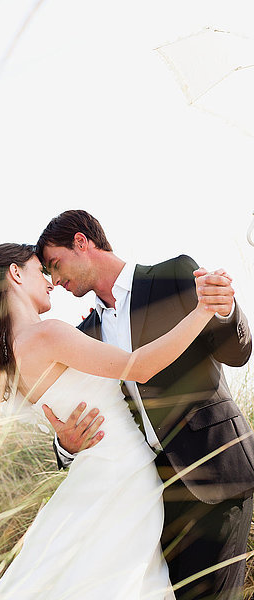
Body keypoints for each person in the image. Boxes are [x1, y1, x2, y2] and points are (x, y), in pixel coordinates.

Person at [0, 241, 223, 600]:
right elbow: (139, 367)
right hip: (123, 475)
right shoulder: (47, 334)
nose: (50, 281)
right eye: (39, 270)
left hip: (93, 475)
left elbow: (60, 415)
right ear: (15, 274)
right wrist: (202, 312)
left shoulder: (9, 359)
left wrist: (65, 441)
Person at [34, 209, 254, 600]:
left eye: (55, 263)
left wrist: (225, 310)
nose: (55, 280)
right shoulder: (84, 334)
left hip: (216, 470)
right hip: (149, 493)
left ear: (82, 243)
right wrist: (65, 446)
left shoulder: (173, 275)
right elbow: (77, 412)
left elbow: (238, 353)